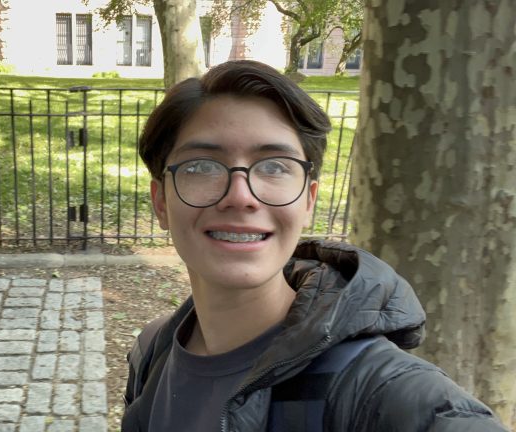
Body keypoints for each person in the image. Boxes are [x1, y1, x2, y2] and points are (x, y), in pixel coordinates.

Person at [122, 60, 507, 431]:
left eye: (274, 166)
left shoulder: (379, 392)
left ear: (308, 200)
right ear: (161, 202)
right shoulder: (153, 353)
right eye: (201, 167)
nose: (240, 196)